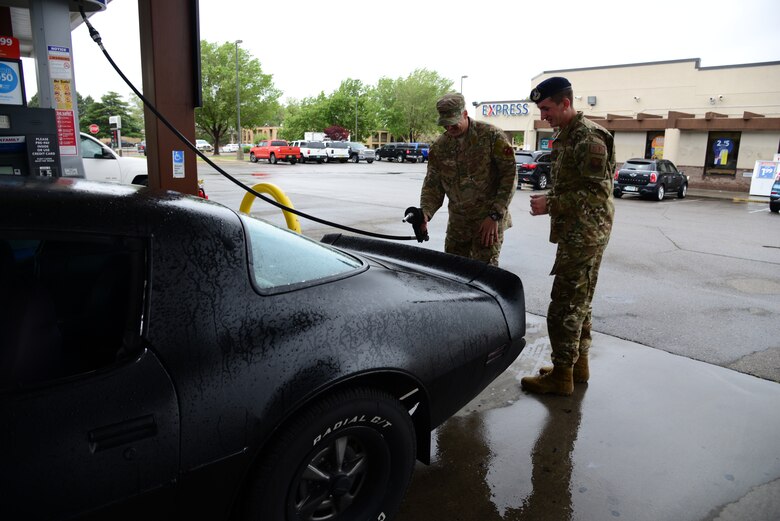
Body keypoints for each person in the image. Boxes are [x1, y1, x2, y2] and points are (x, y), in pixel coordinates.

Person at [520, 77, 615, 396]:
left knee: (564, 306)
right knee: (580, 303)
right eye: (540, 109)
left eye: (547, 108)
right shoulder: (567, 134)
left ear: (566, 103)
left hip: (585, 233)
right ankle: (577, 366)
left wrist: (551, 204)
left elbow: (597, 194)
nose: (543, 115)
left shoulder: (588, 138)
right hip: (578, 231)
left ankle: (562, 376)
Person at [418, 92, 517, 266]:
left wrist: (495, 215)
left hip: (487, 223)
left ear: (465, 114)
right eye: (445, 124)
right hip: (458, 226)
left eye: (453, 122)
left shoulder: (491, 136)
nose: (449, 128)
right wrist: (425, 213)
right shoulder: (440, 147)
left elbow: (509, 176)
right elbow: (432, 185)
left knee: (483, 274)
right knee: (453, 272)